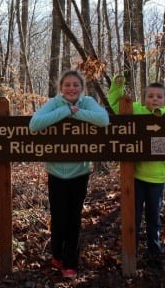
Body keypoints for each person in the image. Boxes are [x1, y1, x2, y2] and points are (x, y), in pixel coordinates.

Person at [29, 70, 110, 279]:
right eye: (67, 85)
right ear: (61, 88)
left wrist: (77, 112)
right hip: (55, 171)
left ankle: (70, 263)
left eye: (76, 85)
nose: (71, 88)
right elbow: (34, 124)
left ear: (81, 88)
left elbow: (103, 120)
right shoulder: (55, 103)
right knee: (58, 218)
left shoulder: (88, 102)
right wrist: (65, 111)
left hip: (80, 172)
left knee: (73, 218)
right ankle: (57, 254)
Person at [108, 75, 165, 268]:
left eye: (159, 97)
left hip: (157, 178)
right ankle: (131, 252)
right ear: (144, 98)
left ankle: (154, 251)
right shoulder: (137, 111)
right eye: (150, 96)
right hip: (135, 177)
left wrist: (162, 119)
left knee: (153, 217)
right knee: (133, 217)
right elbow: (116, 105)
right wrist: (117, 86)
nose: (154, 100)